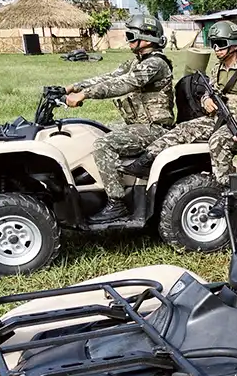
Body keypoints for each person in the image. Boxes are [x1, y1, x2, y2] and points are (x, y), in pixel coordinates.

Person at [119, 20, 237, 186]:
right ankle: (146, 161)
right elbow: (208, 93)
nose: (216, 48)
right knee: (182, 129)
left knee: (217, 141)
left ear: (234, 45)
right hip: (218, 119)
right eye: (213, 44)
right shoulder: (216, 69)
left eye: (221, 44)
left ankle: (225, 188)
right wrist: (206, 100)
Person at [63, 14, 174, 222]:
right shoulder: (136, 62)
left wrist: (85, 95)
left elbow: (124, 84)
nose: (128, 40)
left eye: (131, 36)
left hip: (155, 128)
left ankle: (116, 203)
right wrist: (75, 86)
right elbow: (110, 77)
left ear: (147, 39)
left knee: (104, 144)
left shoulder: (156, 64)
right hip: (139, 124)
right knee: (95, 131)